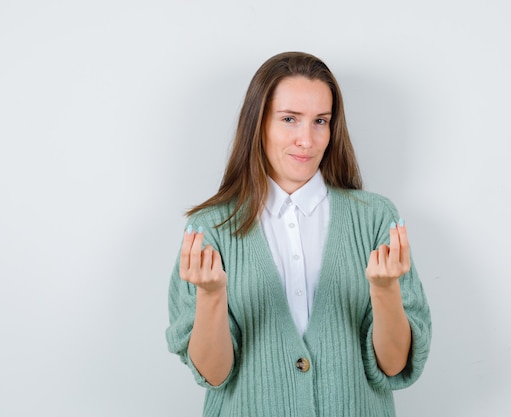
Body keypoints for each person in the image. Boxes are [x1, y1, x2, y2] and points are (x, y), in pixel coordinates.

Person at [166, 51, 431, 417]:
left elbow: (394, 366)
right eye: (289, 119)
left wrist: (385, 291)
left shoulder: (375, 219)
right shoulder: (210, 228)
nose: (307, 140)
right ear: (258, 125)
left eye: (320, 121)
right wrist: (212, 295)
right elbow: (213, 374)